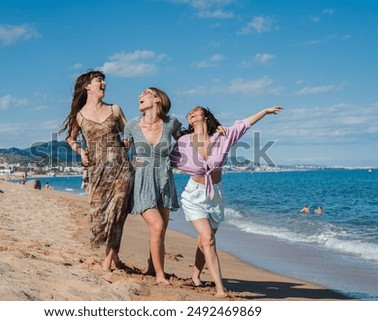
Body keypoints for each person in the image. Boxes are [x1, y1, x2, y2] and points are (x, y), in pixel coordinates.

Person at [171, 105, 283, 298]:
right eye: (189, 114)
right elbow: (166, 159)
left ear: (206, 117)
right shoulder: (183, 141)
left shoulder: (222, 136)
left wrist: (264, 111)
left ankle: (196, 275)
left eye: (196, 111)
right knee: (208, 239)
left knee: (203, 241)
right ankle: (220, 289)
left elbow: (244, 124)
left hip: (216, 194)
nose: (191, 113)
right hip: (193, 195)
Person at [59, 70, 134, 271]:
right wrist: (80, 151)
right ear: (87, 86)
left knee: (117, 213)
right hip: (97, 171)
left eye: (104, 81)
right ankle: (115, 257)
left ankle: (108, 261)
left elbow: (129, 133)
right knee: (99, 214)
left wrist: (126, 143)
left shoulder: (115, 109)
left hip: (121, 168)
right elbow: (71, 139)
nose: (103, 84)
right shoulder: (80, 116)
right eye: (99, 80)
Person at [123, 87, 182, 285]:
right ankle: (159, 275)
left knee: (161, 230)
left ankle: (152, 267)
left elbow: (188, 139)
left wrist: (214, 129)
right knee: (156, 226)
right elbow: (120, 150)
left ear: (156, 99)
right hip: (142, 180)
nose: (139, 96)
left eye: (144, 93)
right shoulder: (131, 126)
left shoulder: (171, 123)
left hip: (164, 179)